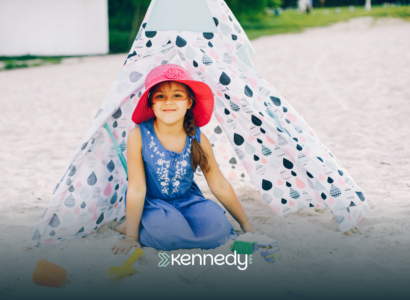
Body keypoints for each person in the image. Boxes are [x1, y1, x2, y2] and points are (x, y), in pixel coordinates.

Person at [111, 64, 261, 255]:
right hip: (154, 202)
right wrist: (131, 238)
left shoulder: (197, 138)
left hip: (189, 201)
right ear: (151, 104)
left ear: (189, 102)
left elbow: (219, 185)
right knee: (170, 238)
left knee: (220, 232)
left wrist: (246, 224)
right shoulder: (138, 135)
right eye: (160, 96)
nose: (168, 102)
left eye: (177, 95)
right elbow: (137, 188)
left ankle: (171, 222)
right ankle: (133, 225)